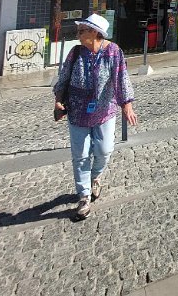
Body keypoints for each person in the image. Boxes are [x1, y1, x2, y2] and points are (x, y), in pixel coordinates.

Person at [53, 13, 138, 220]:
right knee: (80, 154)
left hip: (104, 110)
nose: (78, 34)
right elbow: (63, 77)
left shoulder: (113, 51)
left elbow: (121, 78)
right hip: (77, 111)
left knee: (104, 149)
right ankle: (84, 196)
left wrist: (127, 105)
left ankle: (96, 176)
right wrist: (58, 100)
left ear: (94, 32)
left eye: (82, 31)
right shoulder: (75, 52)